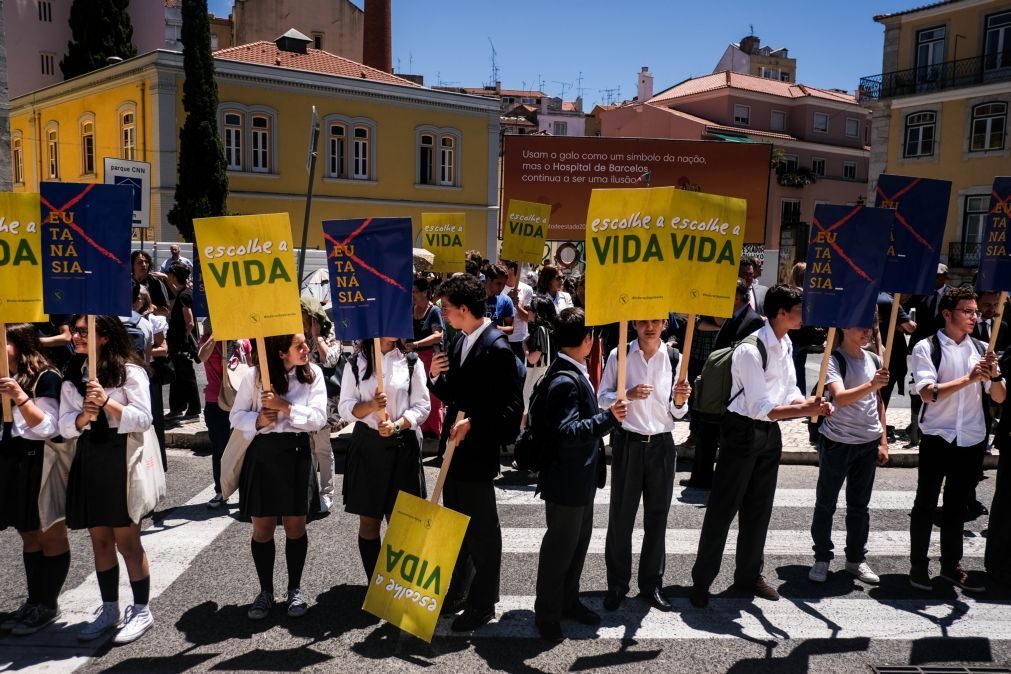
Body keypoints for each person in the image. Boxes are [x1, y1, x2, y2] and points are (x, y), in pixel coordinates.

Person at [690, 284, 832, 608]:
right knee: (723, 510)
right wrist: (806, 410)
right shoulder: (750, 350)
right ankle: (702, 581)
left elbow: (789, 390)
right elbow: (761, 407)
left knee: (759, 510)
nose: (804, 316)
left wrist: (807, 402)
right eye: (799, 310)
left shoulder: (784, 343)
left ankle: (749, 576)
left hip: (769, 435)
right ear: (781, 313)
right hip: (741, 432)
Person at [429, 274, 523, 632]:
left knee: (483, 533)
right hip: (454, 452)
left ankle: (483, 602)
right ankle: (459, 591)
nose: (445, 317)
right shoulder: (461, 341)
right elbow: (455, 395)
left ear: (465, 309)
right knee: (457, 529)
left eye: (448, 310)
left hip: (476, 452)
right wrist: (436, 378)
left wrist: (475, 424)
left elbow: (511, 410)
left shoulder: (497, 347)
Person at [59, 315, 156, 644]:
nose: (76, 336)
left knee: (127, 542)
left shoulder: (131, 371)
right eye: (76, 331)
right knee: (99, 539)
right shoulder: (75, 372)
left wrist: (107, 403)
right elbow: (64, 426)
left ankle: (141, 609)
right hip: (91, 456)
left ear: (105, 337)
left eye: (84, 332)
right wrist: (85, 415)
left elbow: (143, 418)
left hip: (122, 456)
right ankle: (109, 607)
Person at [534, 308, 627, 642]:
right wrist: (608, 418)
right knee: (560, 550)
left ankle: (568, 601)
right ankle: (546, 614)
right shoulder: (564, 380)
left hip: (579, 478)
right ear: (587, 340)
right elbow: (567, 431)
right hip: (566, 481)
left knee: (575, 546)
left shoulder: (570, 369)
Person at [908, 287, 1004, 592]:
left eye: (975, 311)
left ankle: (951, 566)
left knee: (957, 507)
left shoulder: (981, 348)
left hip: (972, 437)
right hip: (938, 436)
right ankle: (918, 566)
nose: (974, 316)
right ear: (947, 314)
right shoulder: (927, 347)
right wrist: (970, 378)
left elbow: (999, 397)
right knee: (925, 503)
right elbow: (927, 393)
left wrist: (996, 376)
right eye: (967, 311)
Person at [229, 332, 328, 620]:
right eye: (299, 346)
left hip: (296, 453)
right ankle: (265, 591)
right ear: (281, 352)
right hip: (263, 454)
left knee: (296, 526)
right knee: (262, 528)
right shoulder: (255, 375)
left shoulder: (314, 375)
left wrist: (285, 408)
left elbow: (319, 418)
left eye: (305, 343)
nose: (306, 348)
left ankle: (294, 589)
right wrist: (259, 419)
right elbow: (236, 417)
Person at [597, 319, 691, 612]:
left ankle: (651, 584)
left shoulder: (675, 357)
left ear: (664, 323)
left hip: (662, 445)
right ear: (635, 324)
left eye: (656, 321)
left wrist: (680, 400)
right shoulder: (619, 354)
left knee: (657, 518)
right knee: (621, 519)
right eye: (644, 322)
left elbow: (678, 411)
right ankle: (617, 584)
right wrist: (627, 395)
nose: (650, 327)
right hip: (629, 443)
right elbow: (602, 398)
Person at [339, 337, 430, 582]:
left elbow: (422, 406)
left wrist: (398, 425)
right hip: (368, 447)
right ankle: (375, 584)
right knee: (369, 521)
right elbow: (345, 407)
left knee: (402, 524)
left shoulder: (411, 361)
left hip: (402, 446)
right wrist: (370, 405)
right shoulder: (355, 362)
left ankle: (398, 587)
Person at [0, 324, 70, 635]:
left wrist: (19, 398)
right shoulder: (5, 375)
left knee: (49, 533)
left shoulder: (46, 377)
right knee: (27, 533)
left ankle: (48, 603)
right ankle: (34, 600)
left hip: (41, 459)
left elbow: (49, 428)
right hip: (12, 460)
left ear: (20, 343)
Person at [808, 326, 890, 585]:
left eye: (870, 327)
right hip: (837, 441)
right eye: (860, 327)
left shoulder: (874, 359)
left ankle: (856, 559)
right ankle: (822, 558)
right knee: (826, 503)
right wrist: (872, 383)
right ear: (844, 328)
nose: (867, 332)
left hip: (868, 441)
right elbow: (840, 397)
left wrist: (884, 440)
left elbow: (878, 401)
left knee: (859, 506)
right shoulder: (833, 360)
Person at [682, 279, 764, 490]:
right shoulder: (734, 316)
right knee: (706, 431)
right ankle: (701, 476)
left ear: (736, 297)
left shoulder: (752, 321)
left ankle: (708, 478)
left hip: (728, 387)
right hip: (719, 385)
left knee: (713, 432)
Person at [196, 323, 251, 508]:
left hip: (241, 400)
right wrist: (216, 334)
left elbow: (250, 368)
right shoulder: (207, 340)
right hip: (215, 400)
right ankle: (221, 491)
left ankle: (245, 488)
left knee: (244, 447)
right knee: (219, 448)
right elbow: (201, 356)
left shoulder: (242, 342)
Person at [301, 297, 342, 512]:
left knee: (323, 449)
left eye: (303, 313)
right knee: (306, 449)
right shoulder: (297, 337)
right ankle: (309, 491)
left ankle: (327, 495)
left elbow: (329, 360)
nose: (300, 318)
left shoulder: (329, 334)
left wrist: (317, 337)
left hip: (323, 402)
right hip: (301, 401)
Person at [905, 263, 953, 446]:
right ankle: (915, 428)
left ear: (945, 277)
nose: (934, 279)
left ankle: (935, 423)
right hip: (921, 346)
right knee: (916, 386)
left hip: (943, 347)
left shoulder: (951, 295)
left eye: (938, 276)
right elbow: (904, 307)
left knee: (938, 384)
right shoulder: (921, 292)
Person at [406, 277, 445, 439]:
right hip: (413, 360)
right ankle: (421, 427)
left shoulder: (434, 311)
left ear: (424, 293)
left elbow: (438, 335)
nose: (412, 295)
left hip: (430, 358)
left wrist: (416, 344)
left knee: (433, 395)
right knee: (418, 394)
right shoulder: (410, 309)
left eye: (414, 292)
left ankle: (435, 431)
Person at [165, 263, 201, 419]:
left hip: (181, 344)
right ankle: (178, 407)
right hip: (179, 343)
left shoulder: (184, 296)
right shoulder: (186, 292)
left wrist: (184, 339)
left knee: (186, 376)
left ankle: (194, 410)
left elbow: (190, 322)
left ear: (174, 276)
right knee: (178, 376)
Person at [503, 260, 534, 361]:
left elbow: (528, 318)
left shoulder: (527, 289)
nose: (500, 267)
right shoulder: (497, 287)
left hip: (520, 340)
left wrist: (517, 305)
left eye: (503, 266)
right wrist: (507, 300)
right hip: (501, 339)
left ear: (511, 270)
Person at [131, 251, 170, 317]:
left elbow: (166, 312)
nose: (144, 265)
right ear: (132, 265)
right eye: (140, 262)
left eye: (146, 262)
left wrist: (151, 308)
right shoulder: (125, 282)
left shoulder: (156, 283)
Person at [483, 263, 515, 334]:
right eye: (498, 283)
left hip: (495, 343)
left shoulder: (506, 300)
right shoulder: (473, 297)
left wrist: (495, 328)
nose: (502, 288)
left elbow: (510, 329)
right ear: (488, 280)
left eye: (504, 284)